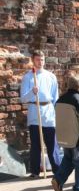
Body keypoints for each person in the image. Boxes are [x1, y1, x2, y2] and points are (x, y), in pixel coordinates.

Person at [20, 50, 61, 178]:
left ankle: (57, 170)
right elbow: (23, 99)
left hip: (48, 111)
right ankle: (35, 171)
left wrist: (55, 112)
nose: (40, 62)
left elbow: (55, 97)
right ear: (33, 60)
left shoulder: (51, 76)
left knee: (52, 143)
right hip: (34, 110)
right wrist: (32, 92)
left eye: (42, 59)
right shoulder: (28, 77)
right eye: (38, 59)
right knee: (35, 144)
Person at [51, 74, 79, 191]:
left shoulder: (60, 100)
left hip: (64, 138)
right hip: (77, 139)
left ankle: (58, 180)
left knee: (68, 160)